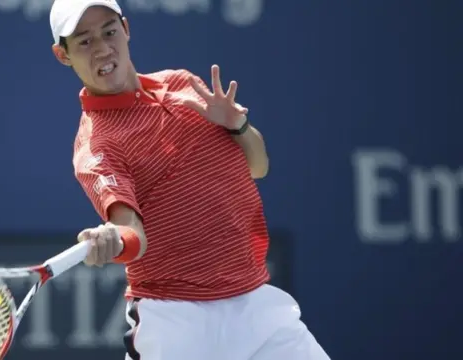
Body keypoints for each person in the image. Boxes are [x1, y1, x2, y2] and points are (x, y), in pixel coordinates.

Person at [49, 0, 330, 359]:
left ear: (126, 29)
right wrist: (113, 238)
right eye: (84, 41)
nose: (103, 48)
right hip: (176, 322)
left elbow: (257, 166)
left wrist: (237, 126)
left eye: (109, 31)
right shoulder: (97, 145)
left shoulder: (184, 84)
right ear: (63, 55)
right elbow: (131, 232)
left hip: (256, 304)